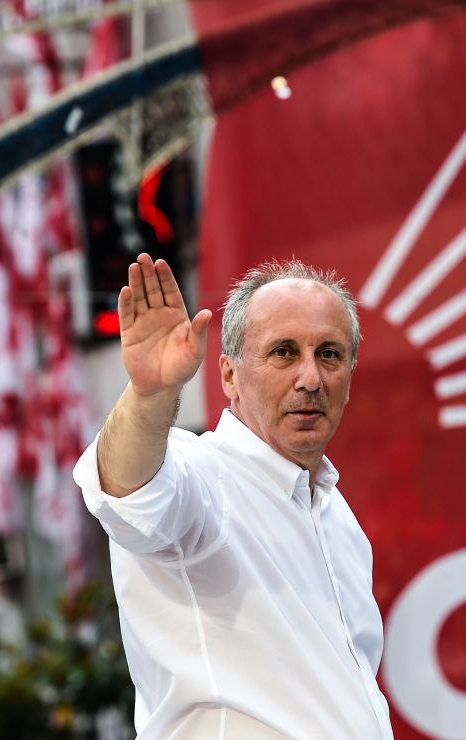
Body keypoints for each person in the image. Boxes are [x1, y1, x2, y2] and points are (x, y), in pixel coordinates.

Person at [73, 253, 394, 739]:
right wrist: (150, 394)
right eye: (284, 352)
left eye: (328, 354)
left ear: (349, 377)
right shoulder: (201, 476)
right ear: (228, 376)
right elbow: (126, 489)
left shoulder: (337, 518)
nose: (310, 378)